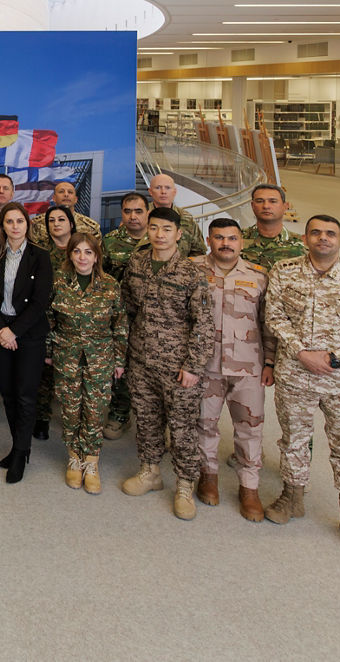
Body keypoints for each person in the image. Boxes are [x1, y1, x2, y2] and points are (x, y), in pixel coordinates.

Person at [264, 215, 340, 555]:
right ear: (304, 238)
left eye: (330, 234)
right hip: (296, 373)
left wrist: (335, 358)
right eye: (316, 232)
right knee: (294, 439)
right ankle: (292, 497)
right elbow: (274, 317)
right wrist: (302, 352)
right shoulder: (283, 272)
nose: (323, 238)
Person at [119, 207, 214, 520]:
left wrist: (194, 367)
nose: (159, 235)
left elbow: (204, 324)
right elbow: (127, 309)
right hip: (140, 359)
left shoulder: (192, 274)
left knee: (183, 427)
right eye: (154, 228)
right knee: (146, 419)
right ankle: (150, 471)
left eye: (166, 229)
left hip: (178, 365)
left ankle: (185, 485)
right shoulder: (136, 262)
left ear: (179, 234)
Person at [193, 218, 274, 521]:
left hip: (248, 366)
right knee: (204, 423)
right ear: (208, 240)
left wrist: (270, 362)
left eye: (232, 238)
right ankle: (208, 475)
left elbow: (268, 323)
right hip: (205, 365)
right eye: (219, 238)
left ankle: (249, 488)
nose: (225, 243)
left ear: (242, 241)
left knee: (250, 428)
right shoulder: (193, 270)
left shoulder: (259, 276)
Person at [46, 233, 126, 495]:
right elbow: (47, 318)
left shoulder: (110, 285)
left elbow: (120, 325)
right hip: (66, 353)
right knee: (70, 408)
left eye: (88, 252)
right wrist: (48, 350)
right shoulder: (58, 281)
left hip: (100, 356)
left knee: (94, 410)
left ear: (96, 256)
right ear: (70, 254)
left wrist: (119, 359)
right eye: (77, 251)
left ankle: (91, 461)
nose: (82, 257)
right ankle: (73, 457)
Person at [0, 202, 53, 484]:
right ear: (3, 226)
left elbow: (39, 302)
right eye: (9, 222)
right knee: (8, 394)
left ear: (27, 225)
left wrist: (14, 332)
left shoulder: (40, 256)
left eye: (19, 221)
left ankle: (22, 453)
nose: (14, 226)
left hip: (28, 335)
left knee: (25, 395)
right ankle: (16, 445)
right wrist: (1, 329)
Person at [100, 191, 150, 439]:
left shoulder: (162, 239)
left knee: (150, 368)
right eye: (127, 211)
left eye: (138, 211)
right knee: (119, 364)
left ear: (148, 212)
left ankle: (153, 420)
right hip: (120, 316)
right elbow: (102, 279)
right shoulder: (110, 242)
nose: (133, 216)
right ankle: (119, 413)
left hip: (155, 319)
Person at [33, 205, 77, 440]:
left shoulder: (81, 249)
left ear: (71, 223)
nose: (56, 224)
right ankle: (42, 418)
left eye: (61, 219)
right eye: (51, 220)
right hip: (46, 317)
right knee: (45, 370)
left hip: (75, 321)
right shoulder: (42, 252)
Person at [241, 183, 306, 271]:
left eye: (273, 201)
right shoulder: (235, 239)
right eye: (260, 201)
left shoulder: (301, 245)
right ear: (252, 206)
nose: (266, 206)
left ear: (285, 206)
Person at [148, 173, 206, 258]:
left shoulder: (186, 218)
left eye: (167, 188)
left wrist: (184, 266)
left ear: (174, 192)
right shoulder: (140, 216)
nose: (163, 192)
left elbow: (199, 251)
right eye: (158, 188)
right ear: (150, 192)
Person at [29, 181, 101, 247]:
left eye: (70, 192)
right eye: (61, 192)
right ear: (54, 198)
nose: (66, 195)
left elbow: (96, 255)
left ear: (76, 199)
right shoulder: (36, 224)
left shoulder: (91, 227)